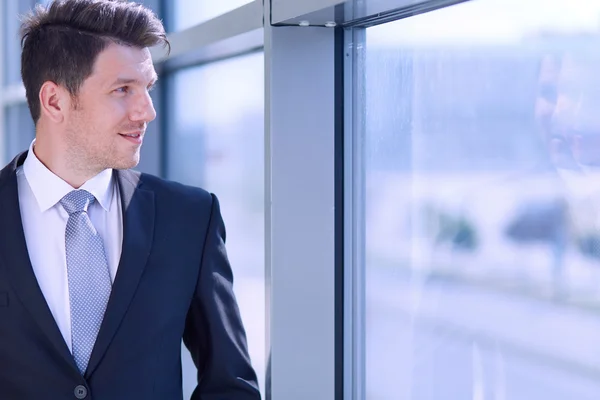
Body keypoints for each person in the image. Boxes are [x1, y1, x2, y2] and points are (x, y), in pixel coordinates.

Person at [0, 0, 260, 399]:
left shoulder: (189, 218)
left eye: (148, 89)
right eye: (123, 89)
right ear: (54, 101)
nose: (148, 111)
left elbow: (231, 386)